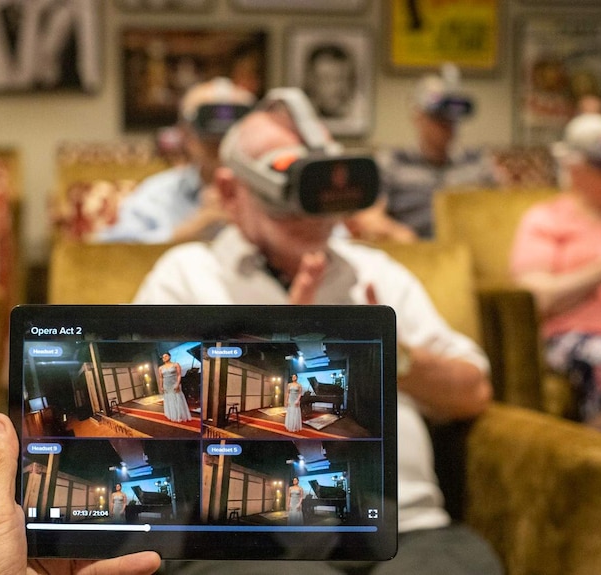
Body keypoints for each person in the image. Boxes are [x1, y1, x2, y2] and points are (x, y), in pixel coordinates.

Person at [134, 88, 502, 574]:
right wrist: (276, 359)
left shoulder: (376, 273)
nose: (310, 217)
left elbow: (473, 392)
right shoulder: (186, 275)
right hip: (252, 534)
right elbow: (150, 425)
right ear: (229, 192)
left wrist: (382, 350)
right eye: (288, 201)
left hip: (407, 529)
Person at [510, 113, 601, 436]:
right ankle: (597, 476)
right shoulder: (546, 220)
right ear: (575, 168)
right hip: (578, 336)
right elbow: (536, 297)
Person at [0, 413, 162, 575]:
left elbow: (123, 500)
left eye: (117, 489)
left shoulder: (120, 494)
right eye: (117, 489)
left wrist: (122, 505)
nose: (117, 489)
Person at [346, 64, 497, 242]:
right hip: (412, 253)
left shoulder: (478, 163)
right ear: (418, 117)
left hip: (466, 251)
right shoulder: (392, 163)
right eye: (439, 119)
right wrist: (397, 233)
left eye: (452, 119)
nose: (448, 126)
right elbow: (367, 217)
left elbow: (501, 216)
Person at [95, 77, 255, 244]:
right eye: (209, 137)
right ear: (183, 132)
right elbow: (106, 250)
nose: (220, 142)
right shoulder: (157, 194)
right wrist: (188, 231)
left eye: (231, 134)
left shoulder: (273, 194)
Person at [303, 44, 357, 120]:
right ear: (311, 81)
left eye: (341, 79)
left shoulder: (357, 111)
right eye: (326, 79)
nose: (335, 88)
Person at [159, 352, 192, 422]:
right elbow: (161, 378)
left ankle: (179, 415)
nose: (164, 358)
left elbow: (179, 375)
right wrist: (161, 386)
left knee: (177, 399)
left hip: (174, 383)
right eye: (163, 357)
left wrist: (177, 384)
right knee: (169, 400)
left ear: (170, 356)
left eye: (166, 356)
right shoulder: (160, 368)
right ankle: (171, 415)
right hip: (166, 385)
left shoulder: (176, 364)